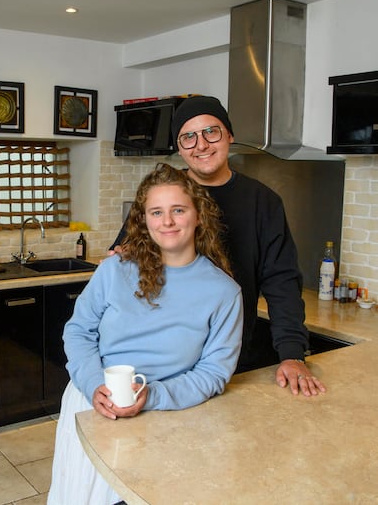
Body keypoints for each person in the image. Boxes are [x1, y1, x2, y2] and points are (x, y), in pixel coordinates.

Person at [48, 163, 243, 505]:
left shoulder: (224, 292)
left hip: (171, 414)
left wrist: (152, 396)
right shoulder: (115, 270)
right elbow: (78, 331)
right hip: (95, 404)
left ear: (198, 215)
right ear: (144, 219)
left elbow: (214, 373)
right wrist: (95, 385)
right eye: (156, 212)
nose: (167, 222)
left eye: (178, 210)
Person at [111, 96, 326, 397]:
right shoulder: (163, 195)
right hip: (161, 358)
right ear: (179, 146)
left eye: (211, 132)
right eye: (189, 137)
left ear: (229, 135)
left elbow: (282, 282)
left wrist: (292, 354)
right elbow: (125, 256)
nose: (201, 145)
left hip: (229, 356)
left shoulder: (262, 202)